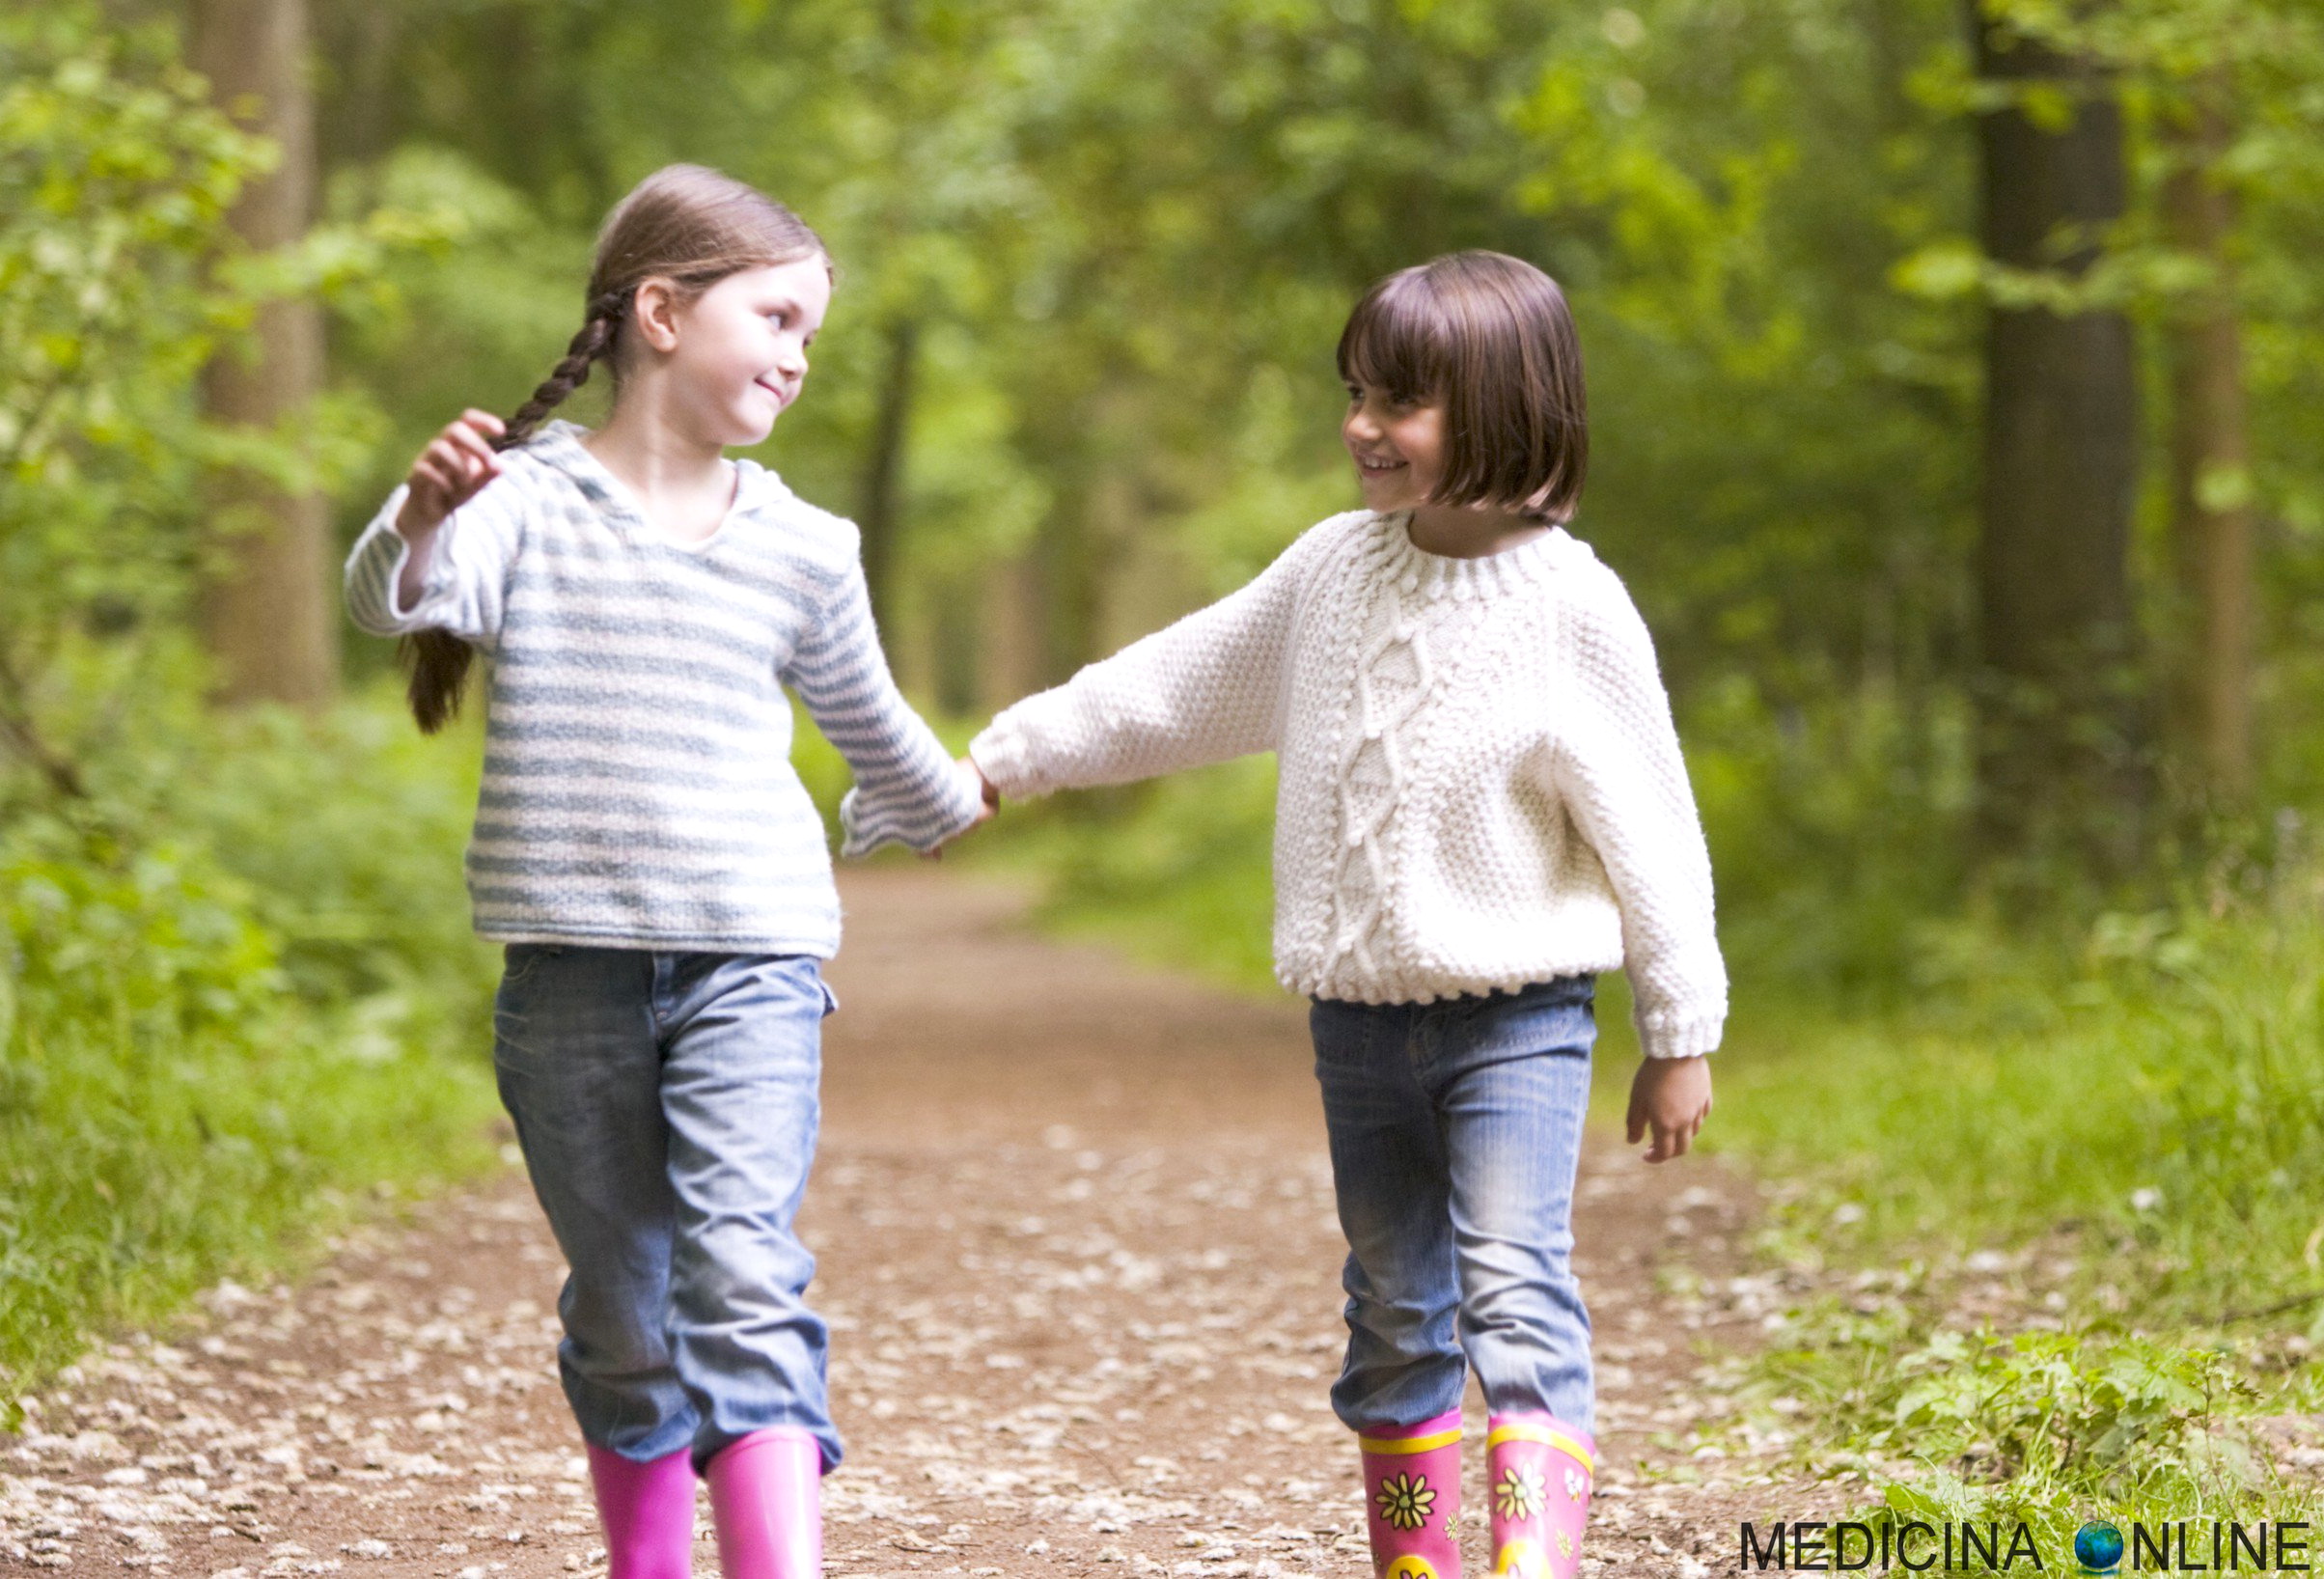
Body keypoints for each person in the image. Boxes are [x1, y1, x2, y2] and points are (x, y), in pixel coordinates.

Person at [962, 251, 1725, 1579]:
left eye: (1403, 403)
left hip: (1520, 1023)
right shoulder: (1331, 573)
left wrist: (1679, 1028)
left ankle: (1528, 1559)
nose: (1364, 427)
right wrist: (1004, 759)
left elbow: (1654, 832)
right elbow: (1173, 684)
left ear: (1504, 410)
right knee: (1391, 1306)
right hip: (1360, 1028)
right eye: (1358, 393)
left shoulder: (1570, 608)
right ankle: (1417, 1561)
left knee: (1512, 1283)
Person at [345, 164, 991, 1579]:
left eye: (810, 334)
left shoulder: (808, 548)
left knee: (741, 1275)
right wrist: (423, 511)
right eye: (777, 318)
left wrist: (978, 786)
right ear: (659, 313)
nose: (799, 357)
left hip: (752, 962)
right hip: (565, 978)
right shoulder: (525, 502)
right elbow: (399, 598)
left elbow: (875, 726)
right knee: (628, 1310)